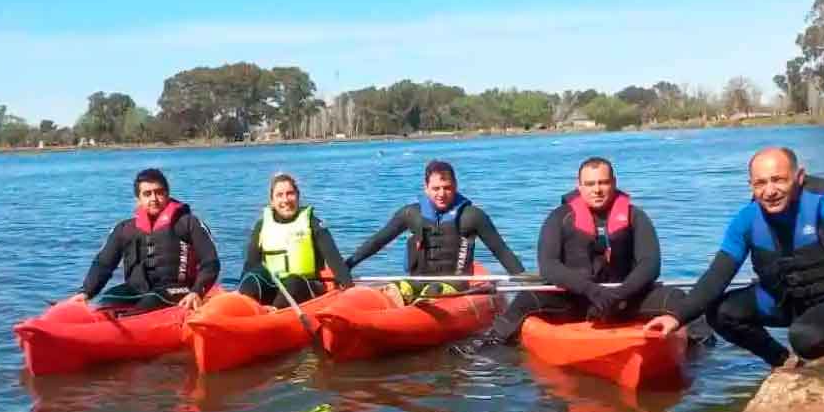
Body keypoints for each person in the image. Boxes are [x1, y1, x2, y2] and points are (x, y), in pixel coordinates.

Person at [644, 147, 824, 368]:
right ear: (750, 185)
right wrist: (676, 317)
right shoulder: (747, 220)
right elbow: (718, 275)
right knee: (720, 312)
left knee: (805, 336)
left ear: (799, 177)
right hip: (786, 302)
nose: (769, 191)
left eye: (778, 180)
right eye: (760, 183)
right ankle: (784, 362)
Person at [455, 156, 684, 354]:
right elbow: (549, 266)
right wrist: (591, 290)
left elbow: (650, 264)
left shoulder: (636, 217)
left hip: (624, 298)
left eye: (603, 183)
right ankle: (490, 344)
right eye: (590, 184)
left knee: (678, 298)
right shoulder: (559, 217)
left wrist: (620, 295)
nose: (597, 189)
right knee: (527, 299)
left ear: (614, 183)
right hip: (576, 299)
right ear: (580, 186)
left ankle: (702, 347)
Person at [345, 159, 526, 304]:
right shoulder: (411, 213)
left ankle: (420, 311)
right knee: (395, 288)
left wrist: (524, 280)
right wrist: (347, 265)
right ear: (426, 188)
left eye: (447, 188)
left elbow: (501, 251)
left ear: (455, 186)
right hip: (417, 281)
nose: (441, 194)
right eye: (436, 188)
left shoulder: (473, 216)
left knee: (432, 293)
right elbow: (378, 241)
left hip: (453, 284)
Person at [69, 168, 220, 312]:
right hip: (137, 289)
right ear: (138, 199)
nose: (154, 199)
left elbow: (210, 262)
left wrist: (197, 291)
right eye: (147, 194)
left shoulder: (188, 223)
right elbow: (103, 264)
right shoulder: (124, 229)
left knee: (150, 301)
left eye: (159, 193)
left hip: (179, 290)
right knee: (108, 299)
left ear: (167, 194)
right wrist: (86, 292)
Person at [239, 173, 353, 308]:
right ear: (272, 201)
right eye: (279, 195)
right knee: (252, 278)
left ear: (298, 196)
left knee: (293, 281)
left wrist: (351, 291)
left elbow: (336, 262)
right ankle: (242, 312)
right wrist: (243, 289)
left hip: (306, 288)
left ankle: (274, 316)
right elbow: (250, 266)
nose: (285, 200)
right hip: (274, 288)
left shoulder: (313, 223)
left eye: (290, 193)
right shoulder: (261, 226)